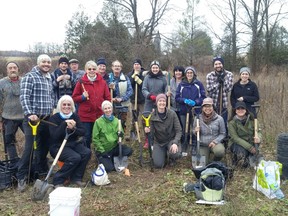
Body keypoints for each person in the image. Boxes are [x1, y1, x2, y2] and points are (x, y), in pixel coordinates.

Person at [17, 54, 55, 192]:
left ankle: (40, 172)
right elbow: (24, 97)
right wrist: (29, 113)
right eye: (44, 62)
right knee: (29, 149)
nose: (46, 64)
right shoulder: (30, 76)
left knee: (43, 147)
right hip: (33, 119)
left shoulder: (49, 77)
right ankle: (21, 176)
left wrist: (53, 107)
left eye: (48, 62)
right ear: (38, 63)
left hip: (46, 119)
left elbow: (51, 95)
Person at [49, 95, 91, 187]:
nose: (66, 107)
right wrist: (64, 124)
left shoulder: (75, 116)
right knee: (75, 157)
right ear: (60, 106)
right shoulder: (54, 118)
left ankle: (76, 178)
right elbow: (54, 136)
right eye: (64, 104)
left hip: (72, 144)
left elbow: (83, 131)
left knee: (86, 152)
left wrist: (74, 128)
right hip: (58, 146)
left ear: (72, 106)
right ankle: (58, 180)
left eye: (69, 104)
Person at [72, 60, 111, 149]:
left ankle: (100, 154)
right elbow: (74, 98)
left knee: (100, 136)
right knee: (87, 137)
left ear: (96, 70)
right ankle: (87, 154)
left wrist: (106, 108)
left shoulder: (102, 82)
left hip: (99, 114)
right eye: (89, 69)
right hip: (86, 115)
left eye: (94, 69)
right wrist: (82, 97)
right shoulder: (81, 82)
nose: (92, 71)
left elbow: (107, 97)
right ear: (86, 70)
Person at [92, 100, 133, 172]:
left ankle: (113, 158)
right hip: (104, 149)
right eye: (105, 108)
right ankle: (102, 158)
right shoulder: (98, 122)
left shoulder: (116, 121)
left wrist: (121, 135)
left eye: (109, 108)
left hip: (114, 147)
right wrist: (101, 150)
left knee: (129, 151)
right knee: (109, 169)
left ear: (112, 109)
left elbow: (121, 135)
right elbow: (95, 139)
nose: (108, 110)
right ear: (103, 110)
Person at [144, 94, 182, 168]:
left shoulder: (172, 114)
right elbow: (151, 135)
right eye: (160, 101)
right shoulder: (152, 116)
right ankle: (163, 155)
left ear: (166, 102)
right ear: (156, 103)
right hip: (159, 142)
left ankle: (171, 158)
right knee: (158, 165)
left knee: (175, 154)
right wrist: (147, 131)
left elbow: (179, 131)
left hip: (171, 140)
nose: (162, 103)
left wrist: (175, 143)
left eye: (164, 101)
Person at [175, 66, 206, 156]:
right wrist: (184, 100)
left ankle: (194, 146)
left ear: (194, 74)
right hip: (184, 111)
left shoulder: (198, 84)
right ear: (185, 74)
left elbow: (203, 97)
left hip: (195, 111)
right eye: (188, 73)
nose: (189, 74)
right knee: (185, 129)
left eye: (191, 73)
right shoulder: (181, 84)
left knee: (195, 129)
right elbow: (177, 97)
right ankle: (185, 146)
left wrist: (196, 102)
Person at [0, 61, 24, 160]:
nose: (13, 70)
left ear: (18, 69)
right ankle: (14, 161)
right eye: (10, 68)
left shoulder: (25, 81)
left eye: (15, 67)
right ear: (7, 70)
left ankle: (28, 160)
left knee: (32, 138)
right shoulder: (1, 83)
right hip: (8, 117)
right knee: (9, 141)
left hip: (24, 117)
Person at [228, 101, 261, 168]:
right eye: (238, 109)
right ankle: (236, 160)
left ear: (245, 110)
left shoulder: (253, 120)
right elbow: (235, 138)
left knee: (256, 156)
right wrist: (249, 147)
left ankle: (251, 160)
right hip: (237, 144)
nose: (240, 110)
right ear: (235, 111)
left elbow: (259, 131)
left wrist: (259, 138)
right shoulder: (232, 123)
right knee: (242, 155)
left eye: (242, 108)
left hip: (250, 142)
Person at [193, 98, 226, 164]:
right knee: (202, 164)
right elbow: (193, 131)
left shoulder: (219, 119)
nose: (207, 108)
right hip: (203, 144)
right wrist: (195, 131)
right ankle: (208, 162)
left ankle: (215, 162)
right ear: (202, 108)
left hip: (214, 143)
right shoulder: (197, 118)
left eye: (209, 106)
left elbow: (223, 134)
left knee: (220, 152)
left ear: (213, 107)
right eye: (205, 106)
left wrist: (215, 141)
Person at [206, 57, 233, 128]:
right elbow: (209, 90)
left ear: (222, 64)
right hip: (212, 106)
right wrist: (218, 83)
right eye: (216, 64)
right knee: (213, 125)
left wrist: (223, 81)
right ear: (214, 66)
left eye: (219, 64)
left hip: (223, 105)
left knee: (223, 124)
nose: (218, 65)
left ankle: (224, 138)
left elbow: (228, 88)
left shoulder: (229, 74)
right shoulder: (210, 75)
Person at [108, 60, 133, 137]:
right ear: (112, 67)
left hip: (122, 105)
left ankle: (120, 140)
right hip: (111, 105)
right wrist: (110, 97)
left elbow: (130, 91)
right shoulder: (108, 78)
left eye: (118, 66)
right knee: (111, 122)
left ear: (121, 68)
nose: (117, 67)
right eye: (115, 66)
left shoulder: (125, 78)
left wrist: (122, 98)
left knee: (122, 123)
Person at [127, 58, 145, 140]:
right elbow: (129, 84)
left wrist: (139, 79)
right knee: (133, 117)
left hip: (142, 100)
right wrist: (134, 77)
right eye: (135, 64)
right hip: (133, 100)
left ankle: (143, 135)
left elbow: (144, 85)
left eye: (138, 64)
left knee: (143, 117)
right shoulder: (130, 74)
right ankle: (133, 133)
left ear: (140, 66)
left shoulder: (144, 74)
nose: (136, 66)